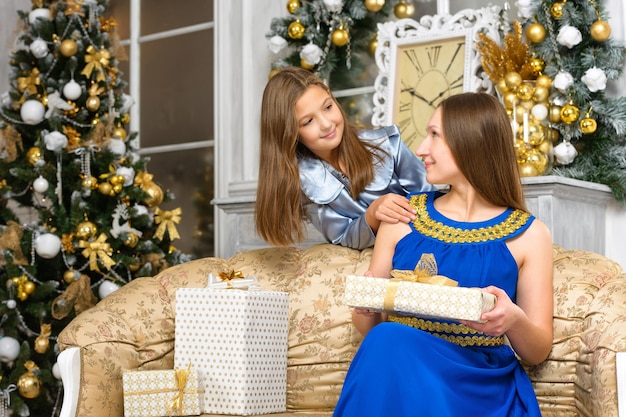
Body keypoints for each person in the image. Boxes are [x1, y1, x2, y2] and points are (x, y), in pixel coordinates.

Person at [334, 92, 554, 416]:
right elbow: (371, 329)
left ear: (470, 141)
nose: (421, 148)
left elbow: (537, 352)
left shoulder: (531, 234)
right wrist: (365, 310)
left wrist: (514, 320)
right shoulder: (402, 216)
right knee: (386, 338)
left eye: (434, 135)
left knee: (388, 340)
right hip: (401, 375)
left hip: (480, 387)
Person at [255, 67, 434, 250]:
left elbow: (431, 198)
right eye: (308, 121)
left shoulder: (387, 144)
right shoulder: (305, 184)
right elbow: (342, 235)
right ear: (290, 134)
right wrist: (371, 216)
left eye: (328, 107)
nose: (326, 124)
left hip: (427, 241)